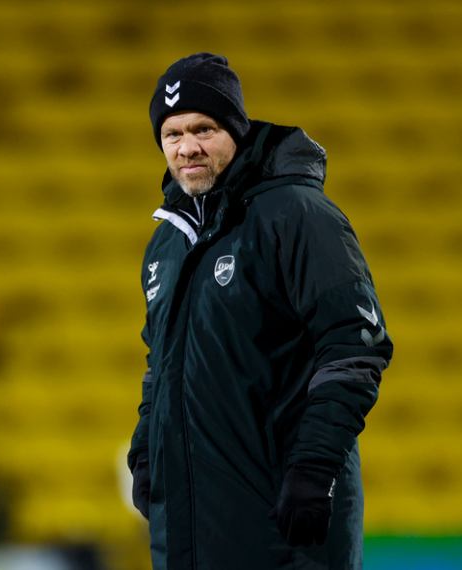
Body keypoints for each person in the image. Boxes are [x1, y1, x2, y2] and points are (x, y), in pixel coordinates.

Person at [127, 53, 394, 570]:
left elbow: (354, 348)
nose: (187, 148)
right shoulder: (167, 244)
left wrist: (314, 469)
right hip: (191, 532)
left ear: (236, 128)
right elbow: (159, 365)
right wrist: (147, 451)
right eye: (172, 134)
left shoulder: (297, 214)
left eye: (203, 128)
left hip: (286, 526)